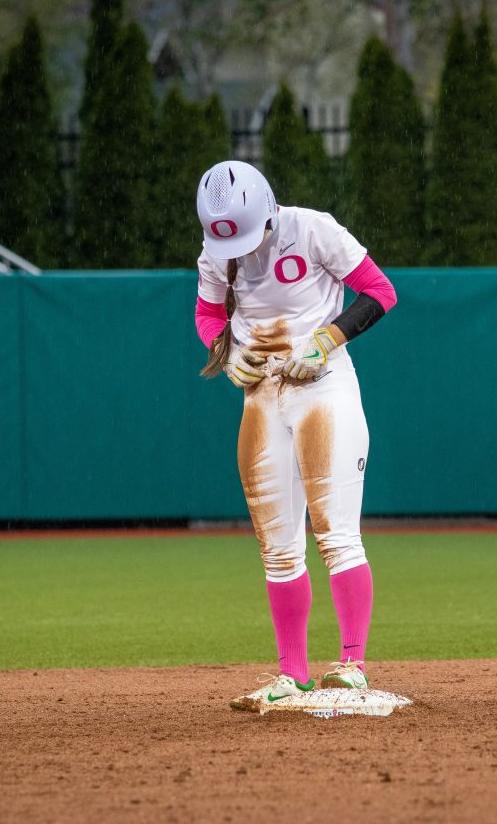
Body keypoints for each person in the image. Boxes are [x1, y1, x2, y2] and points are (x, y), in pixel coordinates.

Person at [193, 160, 398, 711]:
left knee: (337, 535)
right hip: (261, 397)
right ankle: (293, 674)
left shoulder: (312, 229)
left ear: (267, 209)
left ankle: (352, 663)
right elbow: (208, 315)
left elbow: (379, 292)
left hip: (323, 386)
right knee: (278, 551)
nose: (237, 248)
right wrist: (226, 351)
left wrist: (327, 340)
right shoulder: (217, 252)